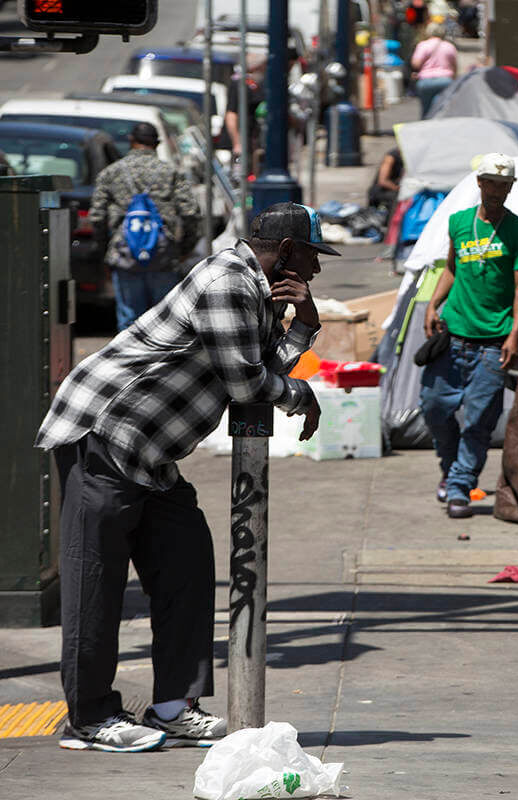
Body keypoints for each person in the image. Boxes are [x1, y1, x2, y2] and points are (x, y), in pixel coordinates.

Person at [34, 202, 338, 753]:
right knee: (96, 583)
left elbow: (263, 366)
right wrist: (301, 396)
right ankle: (89, 718)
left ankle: (174, 706)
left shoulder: (256, 289)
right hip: (105, 435)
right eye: (312, 257)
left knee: (188, 565)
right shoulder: (227, 282)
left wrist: (306, 324)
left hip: (151, 453)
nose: (315, 269)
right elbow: (247, 384)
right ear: (287, 251)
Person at [420, 153, 518, 519]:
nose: (497, 191)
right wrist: (432, 304)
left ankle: (459, 487)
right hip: (452, 335)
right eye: (492, 184)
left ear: (510, 188)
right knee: (434, 407)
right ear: (480, 183)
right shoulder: (459, 222)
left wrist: (515, 335)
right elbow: (451, 268)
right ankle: (451, 468)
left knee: (479, 421)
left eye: (504, 185)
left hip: (493, 343)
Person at [89, 122, 201, 331]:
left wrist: (105, 251)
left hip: (125, 256)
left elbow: (97, 216)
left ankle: (131, 353)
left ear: (131, 141)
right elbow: (191, 213)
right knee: (166, 321)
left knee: (130, 322)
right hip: (163, 256)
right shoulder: (170, 172)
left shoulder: (111, 173)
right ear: (156, 144)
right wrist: (184, 249)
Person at [410, 21, 458, 116]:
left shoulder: (423, 45)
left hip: (426, 81)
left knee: (426, 110)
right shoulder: (449, 46)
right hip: (445, 80)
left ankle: (426, 121)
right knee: (443, 109)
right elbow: (454, 66)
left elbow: (416, 64)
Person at [367, 145, 405, 215]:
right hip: (382, 191)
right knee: (400, 198)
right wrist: (399, 189)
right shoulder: (391, 156)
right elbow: (383, 181)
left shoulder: (410, 157)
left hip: (395, 189)